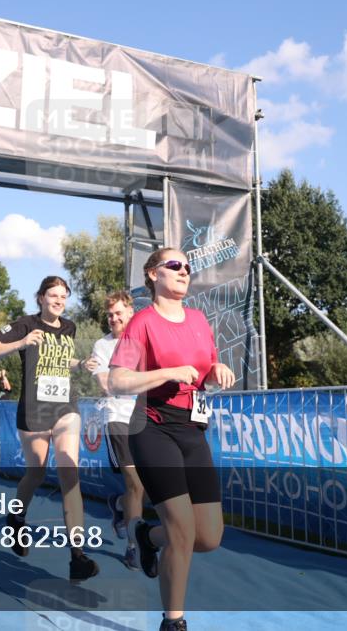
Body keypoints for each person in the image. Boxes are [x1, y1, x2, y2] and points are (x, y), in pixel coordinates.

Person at [108, 248, 236, 631]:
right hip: (152, 427)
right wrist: (164, 373)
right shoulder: (142, 323)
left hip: (192, 430)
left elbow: (206, 368)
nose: (184, 271)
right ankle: (173, 622)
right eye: (175, 265)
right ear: (152, 275)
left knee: (209, 536)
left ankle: (146, 535)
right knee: (181, 529)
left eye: (187, 267)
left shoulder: (199, 320)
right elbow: (117, 380)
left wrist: (218, 368)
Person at [0, 276, 99, 583]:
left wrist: (80, 364)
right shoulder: (25, 324)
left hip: (64, 407)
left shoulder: (70, 328)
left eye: (63, 296)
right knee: (35, 473)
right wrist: (21, 343)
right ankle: (16, 517)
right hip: (34, 411)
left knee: (69, 474)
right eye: (53, 295)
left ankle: (78, 556)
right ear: (41, 297)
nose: (59, 301)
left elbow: (61, 361)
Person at [86, 290, 144, 570]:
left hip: (147, 415)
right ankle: (133, 547)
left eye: (118, 313)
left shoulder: (143, 339)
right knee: (136, 482)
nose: (113, 318)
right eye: (109, 314)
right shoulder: (102, 346)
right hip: (117, 415)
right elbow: (108, 385)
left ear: (131, 313)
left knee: (145, 485)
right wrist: (142, 380)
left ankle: (120, 505)